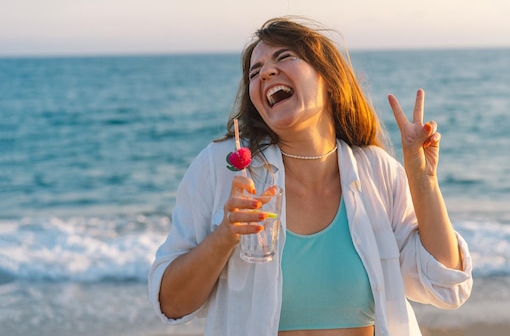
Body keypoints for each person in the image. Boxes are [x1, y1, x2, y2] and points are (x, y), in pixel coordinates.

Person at [148, 17, 473, 336]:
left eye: (284, 56)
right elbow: (171, 304)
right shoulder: (219, 167)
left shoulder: (377, 169)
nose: (266, 73)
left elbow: (445, 286)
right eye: (255, 72)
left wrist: (423, 179)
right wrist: (225, 235)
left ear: (328, 77)